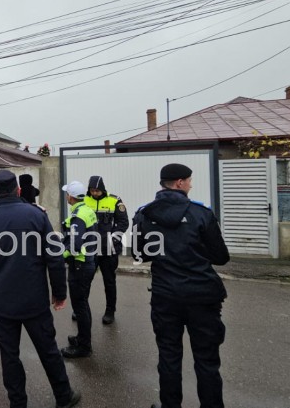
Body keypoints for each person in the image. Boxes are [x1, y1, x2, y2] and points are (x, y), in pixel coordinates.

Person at [0, 169, 81, 408]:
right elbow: (55, 258)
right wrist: (59, 293)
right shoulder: (36, 216)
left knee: (10, 357)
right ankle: (64, 396)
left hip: (4, 304)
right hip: (35, 302)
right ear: (18, 190)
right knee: (49, 350)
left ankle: (17, 403)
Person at [132, 163, 229, 408]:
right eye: (189, 180)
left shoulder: (144, 214)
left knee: (169, 356)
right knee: (207, 359)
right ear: (179, 183)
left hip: (166, 296)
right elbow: (221, 257)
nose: (191, 185)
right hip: (202, 296)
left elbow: (139, 253)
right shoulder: (201, 213)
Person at [60, 180, 97, 358]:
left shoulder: (79, 216)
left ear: (71, 197)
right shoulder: (87, 210)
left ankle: (84, 346)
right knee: (83, 304)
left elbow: (74, 245)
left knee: (80, 306)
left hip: (80, 265)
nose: (66, 196)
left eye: (67, 194)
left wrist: (59, 257)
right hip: (88, 261)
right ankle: (82, 338)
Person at [85, 175, 129, 325]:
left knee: (109, 282)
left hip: (109, 250)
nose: (94, 193)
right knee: (85, 281)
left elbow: (123, 222)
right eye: (92, 190)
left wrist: (113, 239)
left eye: (97, 190)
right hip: (90, 249)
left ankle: (110, 311)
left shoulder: (114, 200)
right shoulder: (84, 201)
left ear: (102, 189)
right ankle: (81, 310)